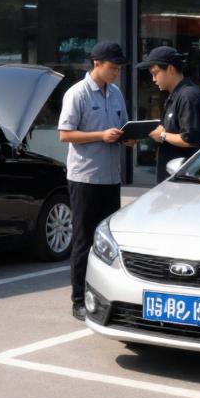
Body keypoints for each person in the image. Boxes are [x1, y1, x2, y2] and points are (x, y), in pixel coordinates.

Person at [58, 40, 130, 321]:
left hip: (111, 177)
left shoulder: (116, 93)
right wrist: (101, 136)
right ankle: (78, 299)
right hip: (86, 177)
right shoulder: (77, 93)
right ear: (97, 63)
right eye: (113, 67)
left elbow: (122, 127)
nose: (116, 73)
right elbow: (65, 134)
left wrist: (128, 137)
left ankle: (104, 296)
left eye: (119, 68)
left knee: (107, 242)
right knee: (84, 239)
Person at [137, 45, 200, 182]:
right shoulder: (175, 95)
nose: (153, 79)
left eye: (155, 73)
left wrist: (162, 135)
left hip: (185, 180)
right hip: (172, 177)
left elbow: (190, 139)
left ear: (170, 69)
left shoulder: (188, 96)